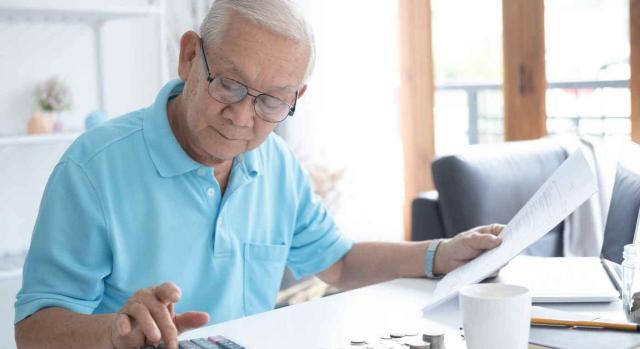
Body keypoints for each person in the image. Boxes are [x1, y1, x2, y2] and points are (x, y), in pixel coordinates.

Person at [14, 1, 504, 348]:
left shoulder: (276, 165)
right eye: (229, 84)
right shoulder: (92, 168)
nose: (244, 117)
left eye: (271, 101)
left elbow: (340, 264)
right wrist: (112, 334)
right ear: (189, 58)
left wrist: (439, 253)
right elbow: (33, 329)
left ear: (296, 99)